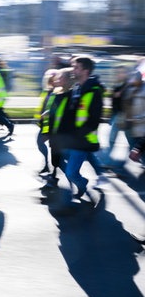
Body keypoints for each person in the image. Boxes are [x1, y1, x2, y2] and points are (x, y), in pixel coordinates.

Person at [53, 56, 104, 200]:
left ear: (85, 71)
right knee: (67, 162)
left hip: (83, 139)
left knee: (70, 172)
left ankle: (82, 184)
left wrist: (78, 134)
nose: (73, 70)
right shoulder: (77, 88)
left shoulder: (94, 91)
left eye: (76, 67)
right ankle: (96, 173)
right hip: (73, 139)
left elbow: (94, 119)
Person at [45, 67, 75, 188]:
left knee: (61, 159)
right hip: (54, 132)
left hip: (64, 133)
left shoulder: (72, 95)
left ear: (68, 80)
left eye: (61, 77)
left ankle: (74, 181)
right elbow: (52, 111)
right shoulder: (55, 93)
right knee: (55, 158)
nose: (58, 79)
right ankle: (54, 175)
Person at [35, 69, 59, 175]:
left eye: (52, 79)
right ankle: (47, 166)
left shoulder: (58, 92)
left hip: (53, 126)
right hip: (45, 125)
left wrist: (48, 113)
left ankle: (53, 170)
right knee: (40, 143)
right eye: (49, 80)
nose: (50, 81)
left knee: (54, 148)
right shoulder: (47, 91)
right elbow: (43, 106)